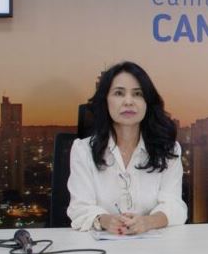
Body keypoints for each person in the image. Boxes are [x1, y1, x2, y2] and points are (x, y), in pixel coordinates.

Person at [67, 61, 187, 233]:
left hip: (155, 251)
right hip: (100, 250)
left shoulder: (168, 150)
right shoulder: (83, 150)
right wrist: (106, 220)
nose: (129, 101)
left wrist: (148, 222)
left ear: (147, 102)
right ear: (105, 101)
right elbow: (79, 208)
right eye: (119, 93)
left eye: (138, 94)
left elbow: (174, 206)